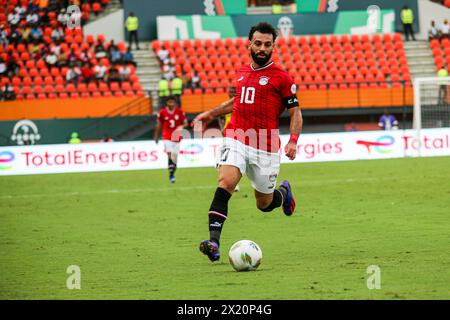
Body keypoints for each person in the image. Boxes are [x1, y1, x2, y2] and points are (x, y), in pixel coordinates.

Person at [192, 22, 302, 262]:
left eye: (267, 44)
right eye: (258, 43)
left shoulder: (282, 78)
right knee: (226, 181)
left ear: (273, 46)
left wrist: (293, 140)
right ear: (249, 44)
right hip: (237, 138)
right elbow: (238, 101)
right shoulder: (241, 73)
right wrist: (211, 114)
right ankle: (213, 242)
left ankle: (283, 193)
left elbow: (295, 112)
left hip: (266, 146)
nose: (262, 48)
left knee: (264, 204)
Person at [154, 96, 188, 183]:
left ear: (175, 103)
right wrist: (156, 136)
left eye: (173, 102)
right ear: (167, 103)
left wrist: (181, 126)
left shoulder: (179, 111)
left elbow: (185, 123)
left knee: (175, 157)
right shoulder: (162, 112)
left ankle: (172, 174)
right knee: (170, 154)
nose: (171, 104)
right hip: (167, 136)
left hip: (177, 137)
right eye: (169, 102)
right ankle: (171, 174)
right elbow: (159, 125)